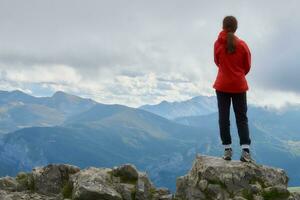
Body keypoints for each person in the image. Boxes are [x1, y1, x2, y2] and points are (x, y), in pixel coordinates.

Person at [213, 16, 253, 162]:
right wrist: (238, 74)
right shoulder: (242, 45)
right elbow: (247, 66)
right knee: (241, 118)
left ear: (223, 26)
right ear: (236, 28)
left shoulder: (218, 44)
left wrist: (226, 71)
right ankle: (246, 151)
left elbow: (217, 62)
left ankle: (227, 149)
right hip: (239, 86)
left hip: (222, 85)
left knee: (223, 118)